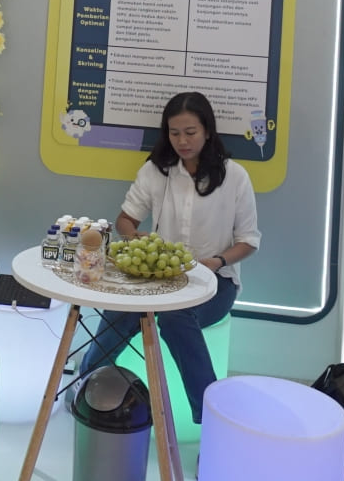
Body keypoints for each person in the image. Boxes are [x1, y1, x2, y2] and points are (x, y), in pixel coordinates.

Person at [75, 91, 260, 423]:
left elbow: (248, 241)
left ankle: (212, 418)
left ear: (207, 131)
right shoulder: (156, 171)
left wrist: (216, 261)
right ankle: (84, 385)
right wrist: (133, 236)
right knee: (121, 311)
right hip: (158, 279)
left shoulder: (235, 177)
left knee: (176, 318)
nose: (182, 141)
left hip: (215, 281)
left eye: (190, 132)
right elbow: (125, 219)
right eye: (174, 133)